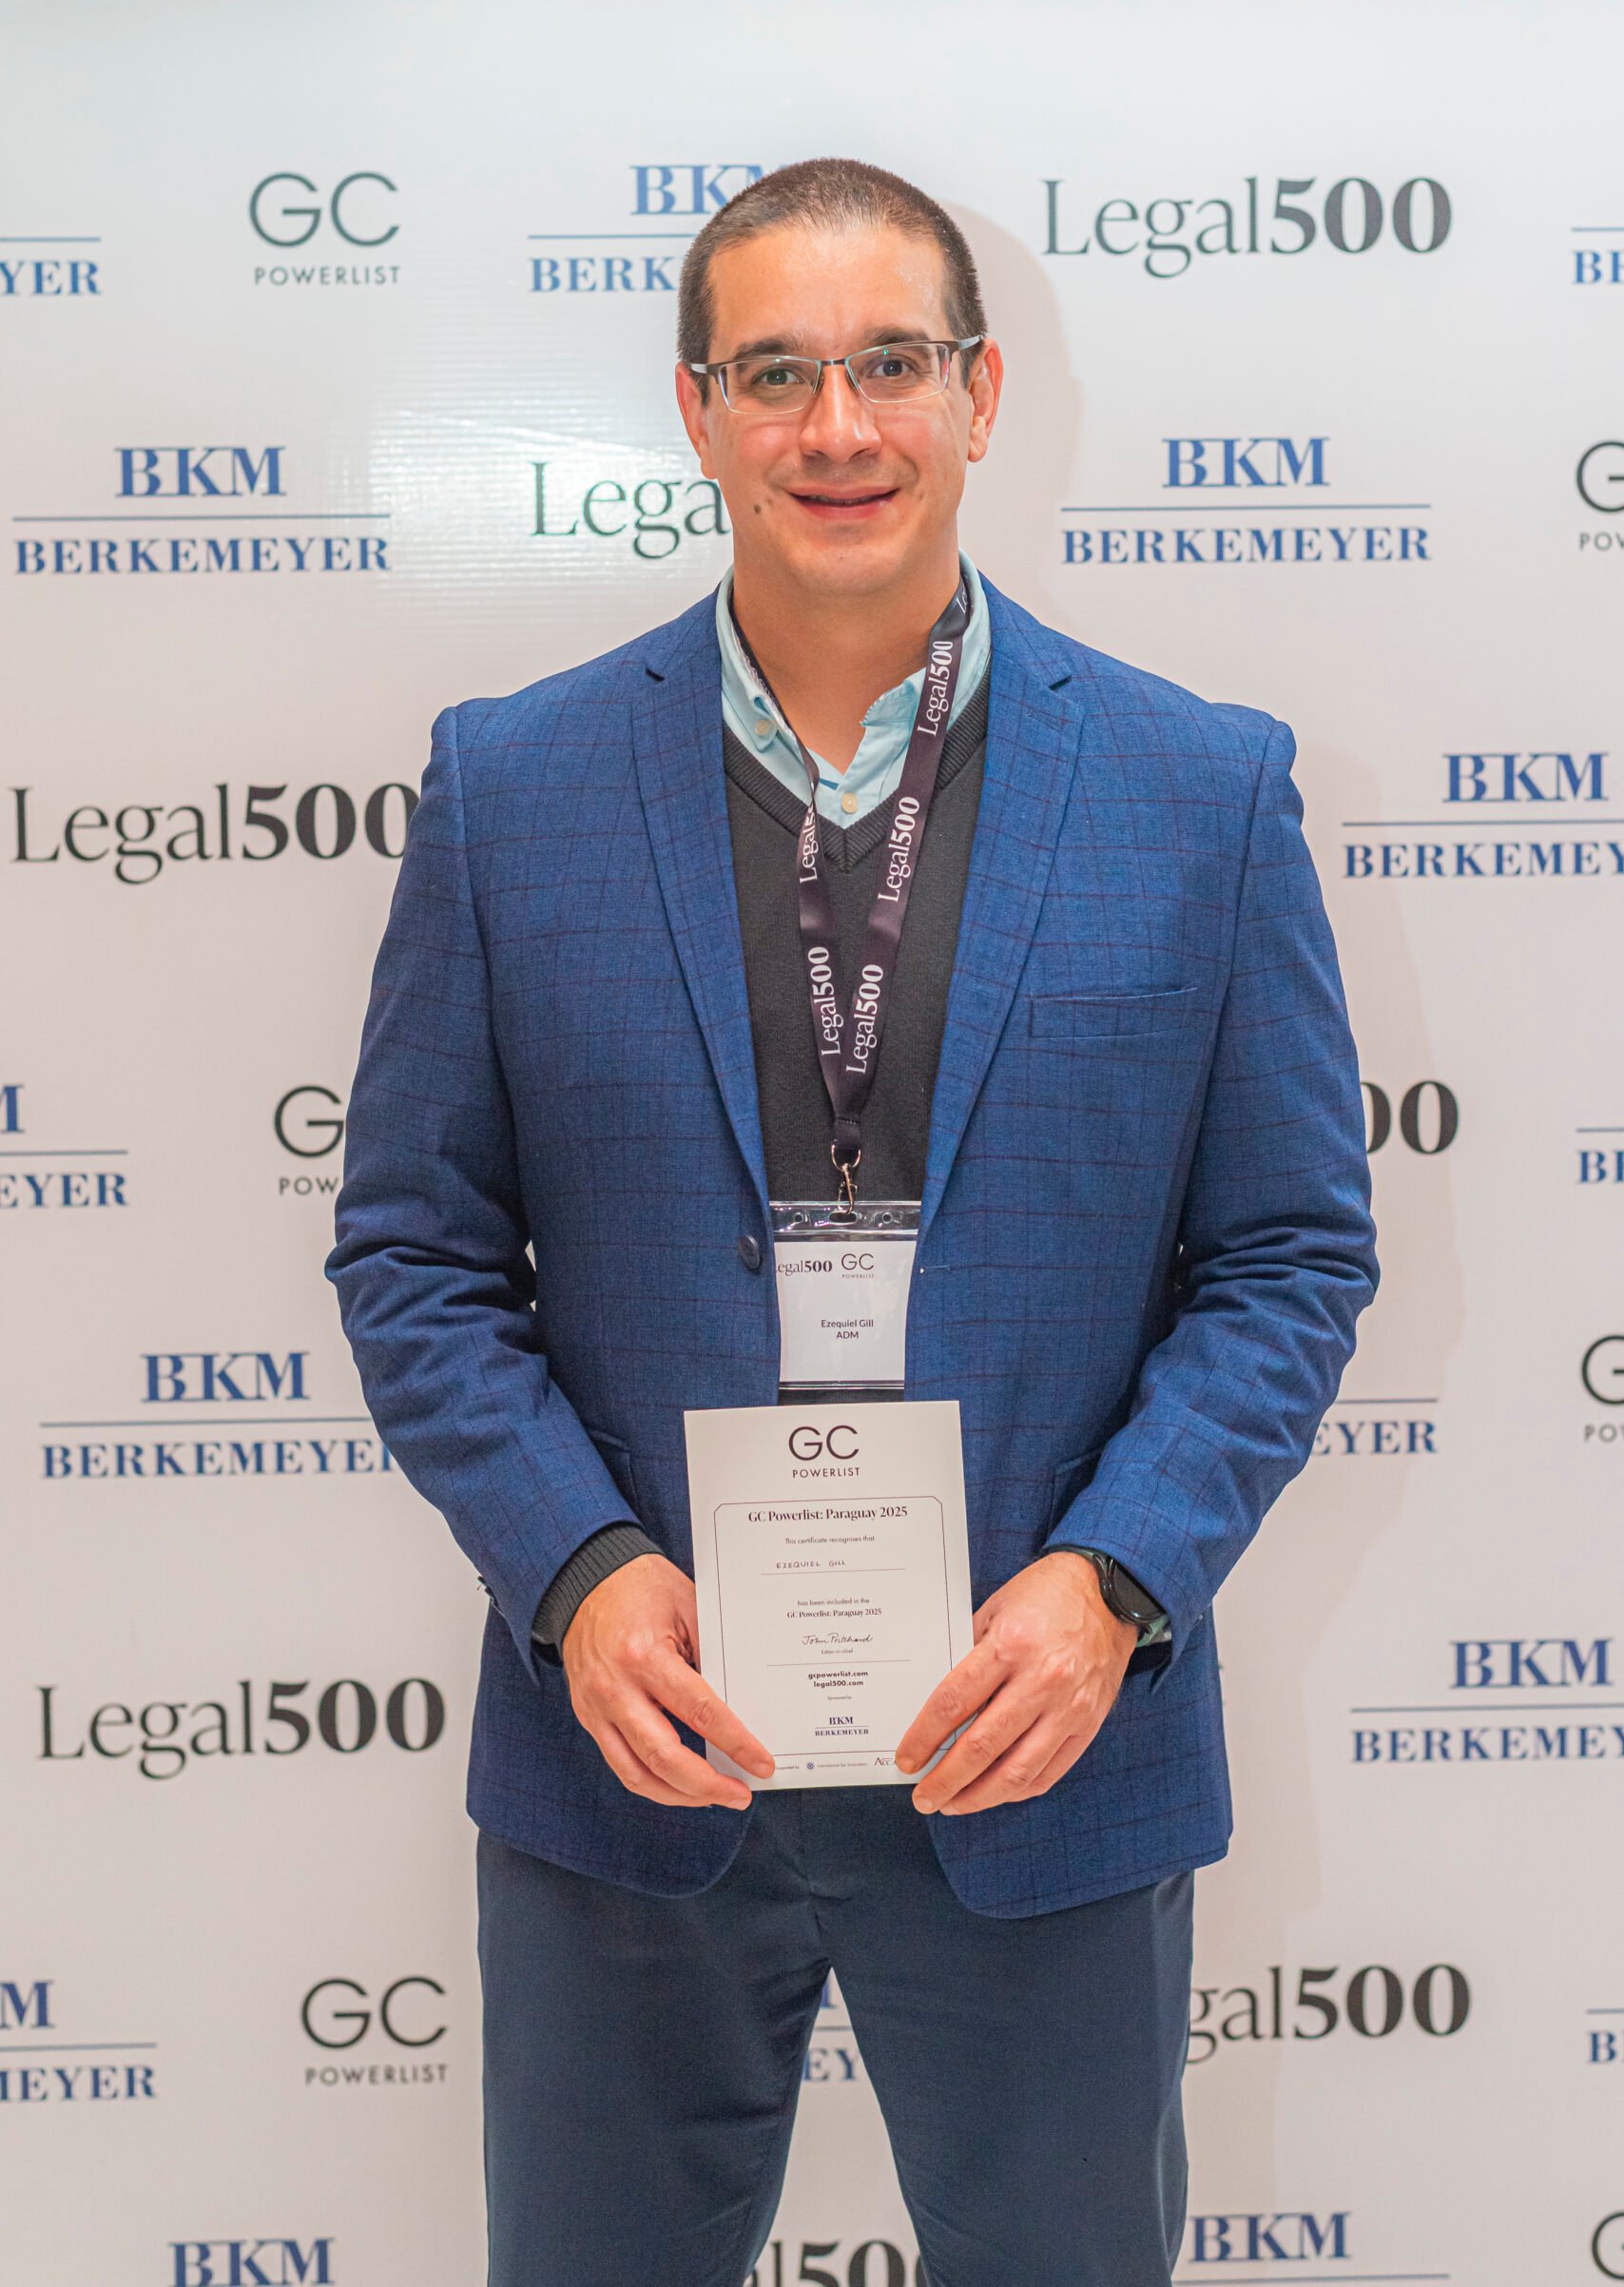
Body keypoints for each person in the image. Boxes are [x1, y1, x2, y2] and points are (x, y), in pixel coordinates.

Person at [328, 157, 1378, 2287]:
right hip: (637, 1750)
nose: (838, 426)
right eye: (777, 372)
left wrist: (1111, 1583)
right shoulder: (510, 785)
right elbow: (413, 1256)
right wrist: (579, 1575)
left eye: (891, 363)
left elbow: (1289, 1255)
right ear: (696, 412)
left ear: (979, 394)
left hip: (1041, 1739)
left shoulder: (1200, 788)